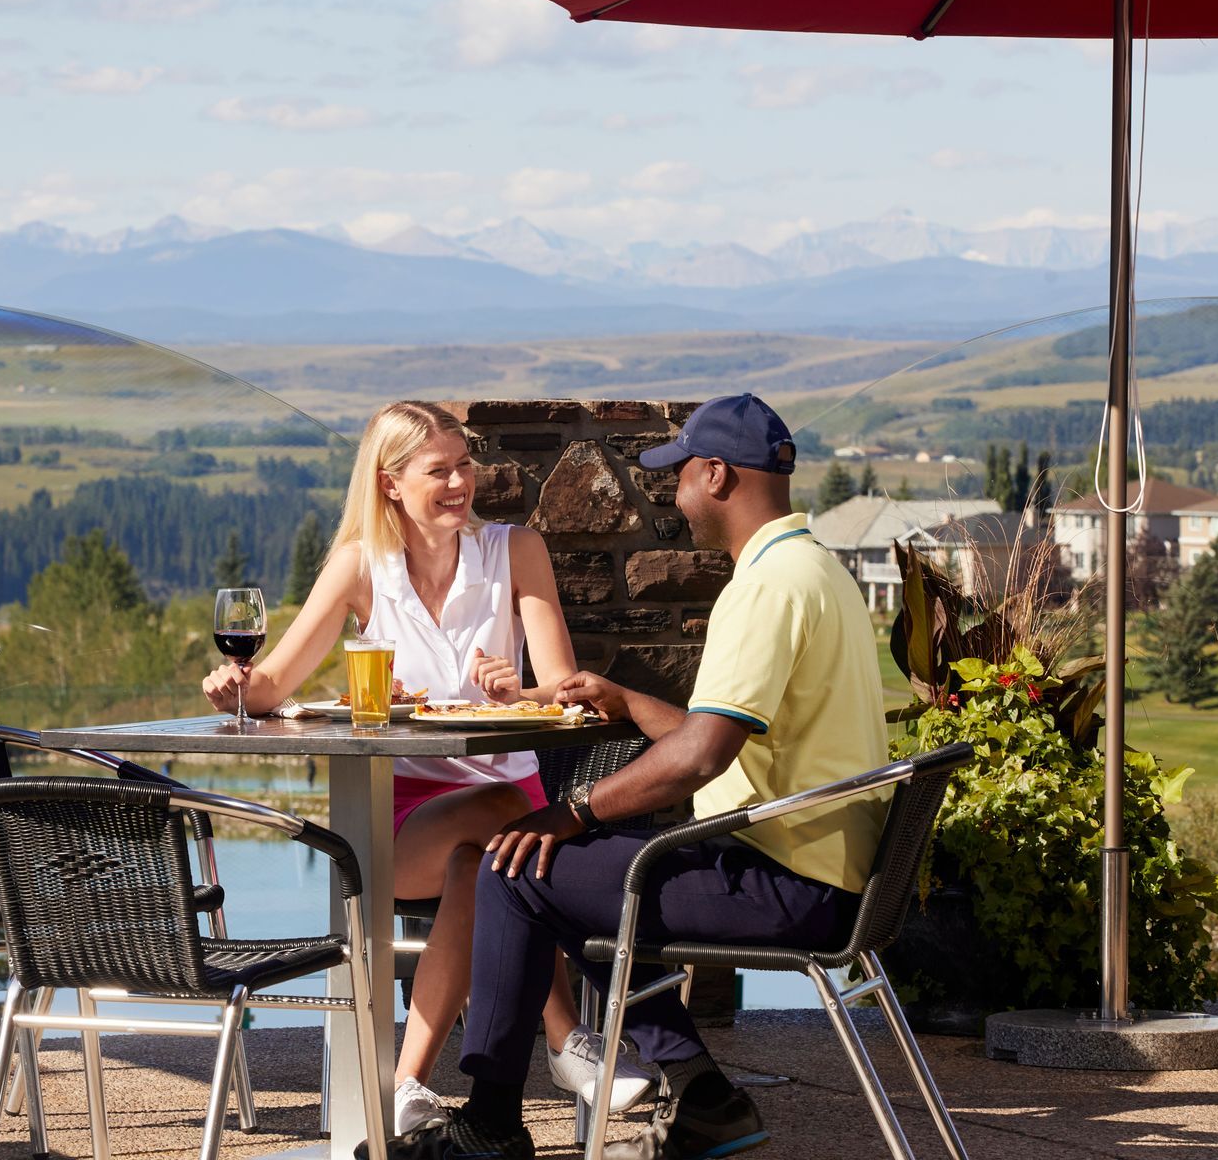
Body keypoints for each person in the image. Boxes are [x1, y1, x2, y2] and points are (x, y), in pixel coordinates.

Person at [377, 394, 888, 1160]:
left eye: (678, 477)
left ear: (715, 475)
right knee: (577, 874)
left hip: (785, 880)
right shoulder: (814, 568)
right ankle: (705, 1100)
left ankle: (487, 1125)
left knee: (518, 866)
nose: (674, 498)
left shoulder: (764, 588)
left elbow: (700, 758)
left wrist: (570, 813)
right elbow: (720, 738)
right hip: (818, 867)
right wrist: (631, 702)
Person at [201, 400, 656, 1134]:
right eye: (437, 470)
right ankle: (570, 1039)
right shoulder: (360, 567)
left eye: (465, 466)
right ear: (389, 483)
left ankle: (407, 1083)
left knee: (484, 861)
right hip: (403, 818)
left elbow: (566, 690)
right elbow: (273, 685)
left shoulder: (516, 551)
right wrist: (233, 686)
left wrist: (520, 689)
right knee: (507, 832)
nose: (459, 484)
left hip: (505, 820)